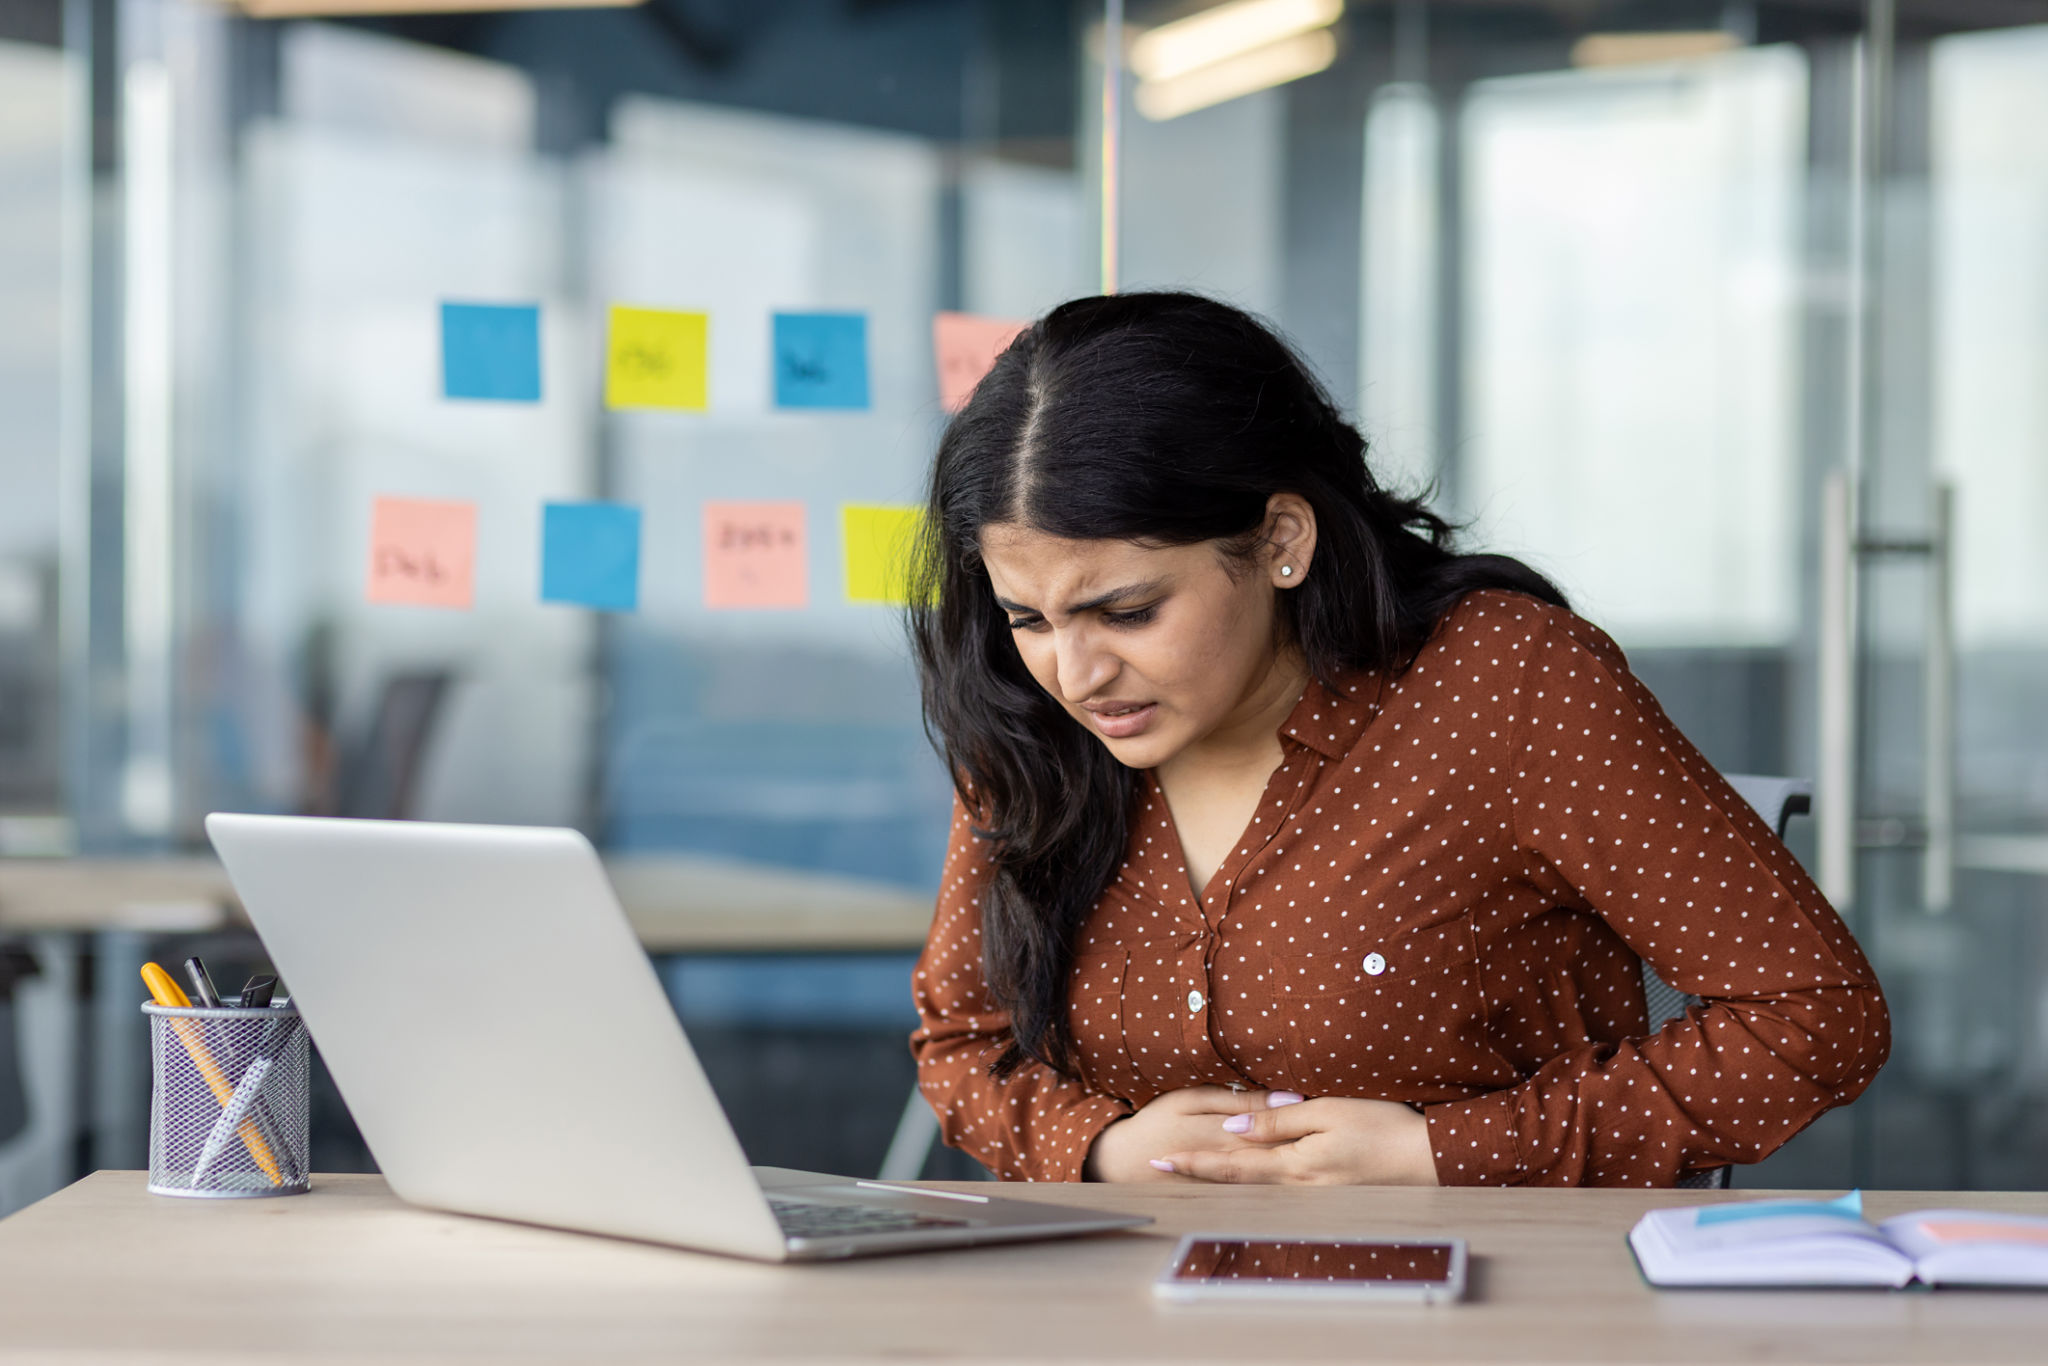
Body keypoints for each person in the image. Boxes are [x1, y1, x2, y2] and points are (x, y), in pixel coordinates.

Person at [905, 292, 1888, 1187]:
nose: (1077, 675)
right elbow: (962, 1044)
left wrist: (1445, 1152)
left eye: (1126, 612)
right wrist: (1101, 1150)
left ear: (1280, 540)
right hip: (1139, 1292)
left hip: (1489, 1289)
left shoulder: (1505, 685)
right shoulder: (1026, 716)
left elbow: (1815, 1017)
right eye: (1028, 618)